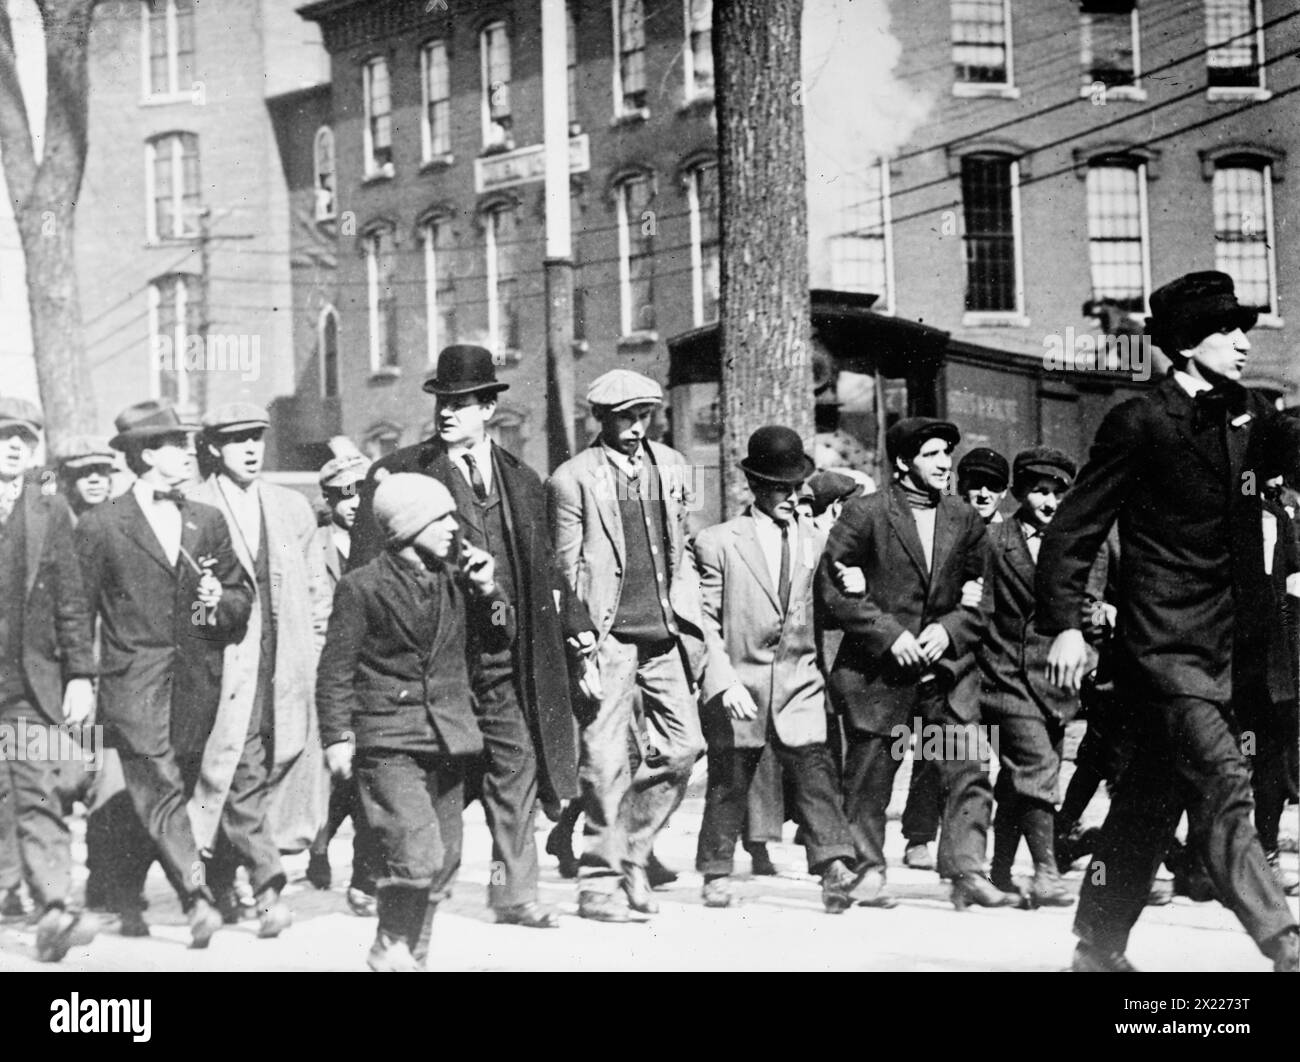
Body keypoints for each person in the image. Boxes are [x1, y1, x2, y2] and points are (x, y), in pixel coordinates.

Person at [1037, 270, 1300, 972]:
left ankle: (1096, 948)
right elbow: (1075, 526)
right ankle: (1286, 947)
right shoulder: (1141, 419)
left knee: (1149, 803)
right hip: (1163, 649)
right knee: (1223, 785)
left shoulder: (1247, 412)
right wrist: (1065, 622)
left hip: (1230, 649)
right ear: (1187, 344)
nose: (1246, 344)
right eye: (1230, 331)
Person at [350, 345, 579, 929]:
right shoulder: (400, 472)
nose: (447, 414)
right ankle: (384, 877)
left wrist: (574, 632)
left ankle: (512, 892)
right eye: (442, 403)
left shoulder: (524, 481)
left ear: (487, 409)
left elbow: (546, 569)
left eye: (461, 403)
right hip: (432, 662)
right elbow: (366, 575)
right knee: (426, 778)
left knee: (516, 768)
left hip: (505, 657)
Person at [315, 474, 513, 971]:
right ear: (406, 525)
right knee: (416, 849)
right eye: (440, 518)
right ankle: (389, 941)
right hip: (387, 738)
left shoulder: (458, 579)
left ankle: (411, 957)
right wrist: (337, 736)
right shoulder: (361, 587)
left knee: (443, 860)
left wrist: (489, 590)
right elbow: (335, 669)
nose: (453, 527)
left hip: (450, 735)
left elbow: (499, 639)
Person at [76, 400, 253, 948]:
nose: (187, 454)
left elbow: (242, 599)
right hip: (132, 683)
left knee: (151, 793)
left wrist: (216, 598)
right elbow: (77, 612)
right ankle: (195, 897)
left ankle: (123, 896)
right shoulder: (102, 525)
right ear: (148, 455)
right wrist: (80, 679)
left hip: (197, 681)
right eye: (176, 445)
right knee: (161, 787)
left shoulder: (208, 520)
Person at [818, 417, 1013, 910]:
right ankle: (867, 870)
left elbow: (981, 596)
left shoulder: (963, 518)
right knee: (870, 776)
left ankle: (966, 870)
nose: (945, 463)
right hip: (879, 676)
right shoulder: (865, 514)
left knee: (968, 765)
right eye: (931, 454)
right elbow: (834, 591)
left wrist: (947, 630)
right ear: (904, 462)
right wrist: (890, 635)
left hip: (944, 674)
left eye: (947, 453)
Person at [546, 369, 706, 923]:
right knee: (605, 761)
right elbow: (563, 574)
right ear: (601, 419)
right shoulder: (572, 480)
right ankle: (597, 885)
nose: (637, 429)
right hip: (607, 638)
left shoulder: (675, 467)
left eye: (645, 417)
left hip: (666, 636)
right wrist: (577, 650)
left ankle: (633, 855)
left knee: (684, 747)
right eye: (624, 418)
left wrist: (696, 626)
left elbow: (683, 545)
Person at [691, 427, 862, 911]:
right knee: (729, 779)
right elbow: (704, 622)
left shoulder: (818, 541)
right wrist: (721, 682)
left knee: (815, 773)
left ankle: (834, 868)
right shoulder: (718, 542)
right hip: (739, 684)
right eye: (781, 488)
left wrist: (852, 581)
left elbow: (832, 604)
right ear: (756, 487)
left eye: (797, 487)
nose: (792, 497)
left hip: (799, 682)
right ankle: (716, 869)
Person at [186, 403, 331, 937]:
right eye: (237, 439)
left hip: (286, 665)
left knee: (270, 767)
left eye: (257, 438)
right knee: (239, 768)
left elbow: (317, 593)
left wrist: (316, 657)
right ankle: (269, 889)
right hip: (224, 669)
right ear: (213, 448)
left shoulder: (291, 508)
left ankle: (225, 883)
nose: (250, 449)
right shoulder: (193, 506)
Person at [0, 398, 99, 962]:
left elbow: (71, 600)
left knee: (38, 788)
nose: (15, 446)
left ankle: (57, 907)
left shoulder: (48, 510)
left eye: (25, 438)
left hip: (29, 684)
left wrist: (80, 674)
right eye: (4, 435)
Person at [52, 435, 156, 932]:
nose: (94, 479)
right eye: (82, 472)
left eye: (102, 471)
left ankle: (110, 886)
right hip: (58, 683)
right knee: (63, 780)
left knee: (112, 787)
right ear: (65, 480)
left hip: (118, 682)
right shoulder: (54, 531)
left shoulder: (122, 526)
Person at [980, 447, 1085, 909]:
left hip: (1058, 683)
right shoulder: (992, 541)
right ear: (1020, 493)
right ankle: (1046, 871)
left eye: (1058, 492)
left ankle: (1000, 871)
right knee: (1038, 767)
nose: (1048, 501)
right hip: (1004, 675)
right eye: (1039, 491)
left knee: (1018, 778)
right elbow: (977, 608)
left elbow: (1090, 605)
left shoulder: (1079, 543)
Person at [306, 447, 383, 914]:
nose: (355, 503)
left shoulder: (381, 541)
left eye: (362, 493)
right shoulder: (315, 546)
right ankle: (319, 843)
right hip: (328, 671)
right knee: (335, 772)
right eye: (345, 495)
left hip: (371, 673)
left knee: (362, 776)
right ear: (329, 498)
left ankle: (357, 866)